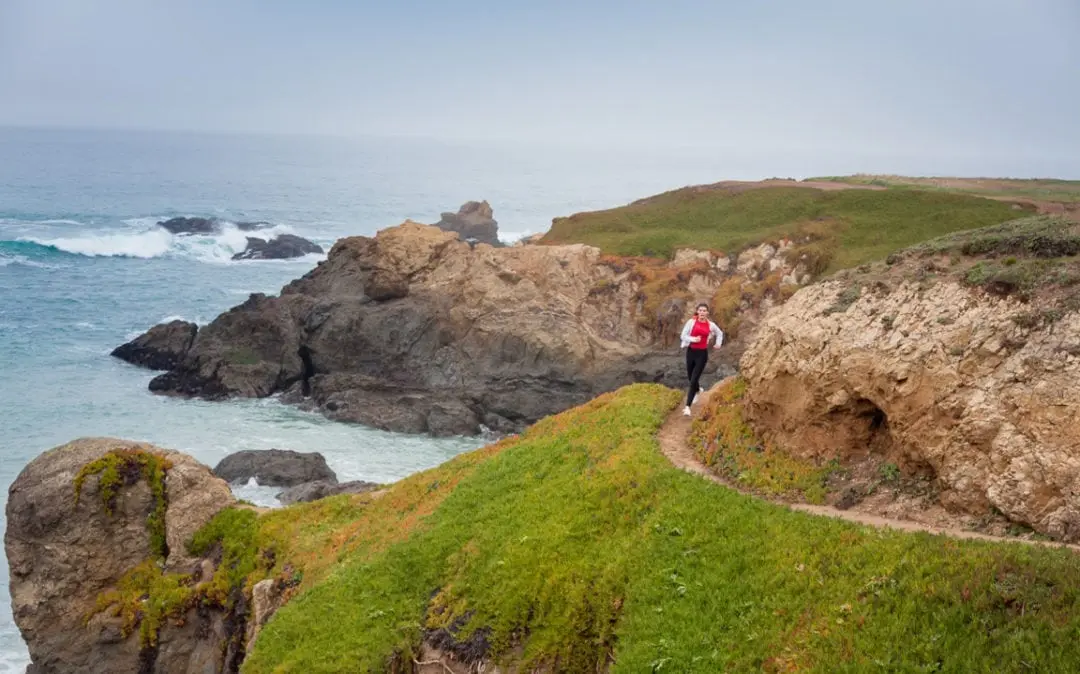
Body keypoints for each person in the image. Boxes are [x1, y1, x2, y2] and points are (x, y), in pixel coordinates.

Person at [679, 303, 724, 416]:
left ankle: (687, 407)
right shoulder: (691, 322)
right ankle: (698, 390)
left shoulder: (711, 325)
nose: (702, 312)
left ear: (707, 313)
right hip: (691, 352)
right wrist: (694, 339)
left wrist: (718, 344)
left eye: (704, 310)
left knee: (693, 379)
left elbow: (720, 333)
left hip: (702, 354)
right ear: (697, 312)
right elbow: (683, 336)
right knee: (690, 377)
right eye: (700, 310)